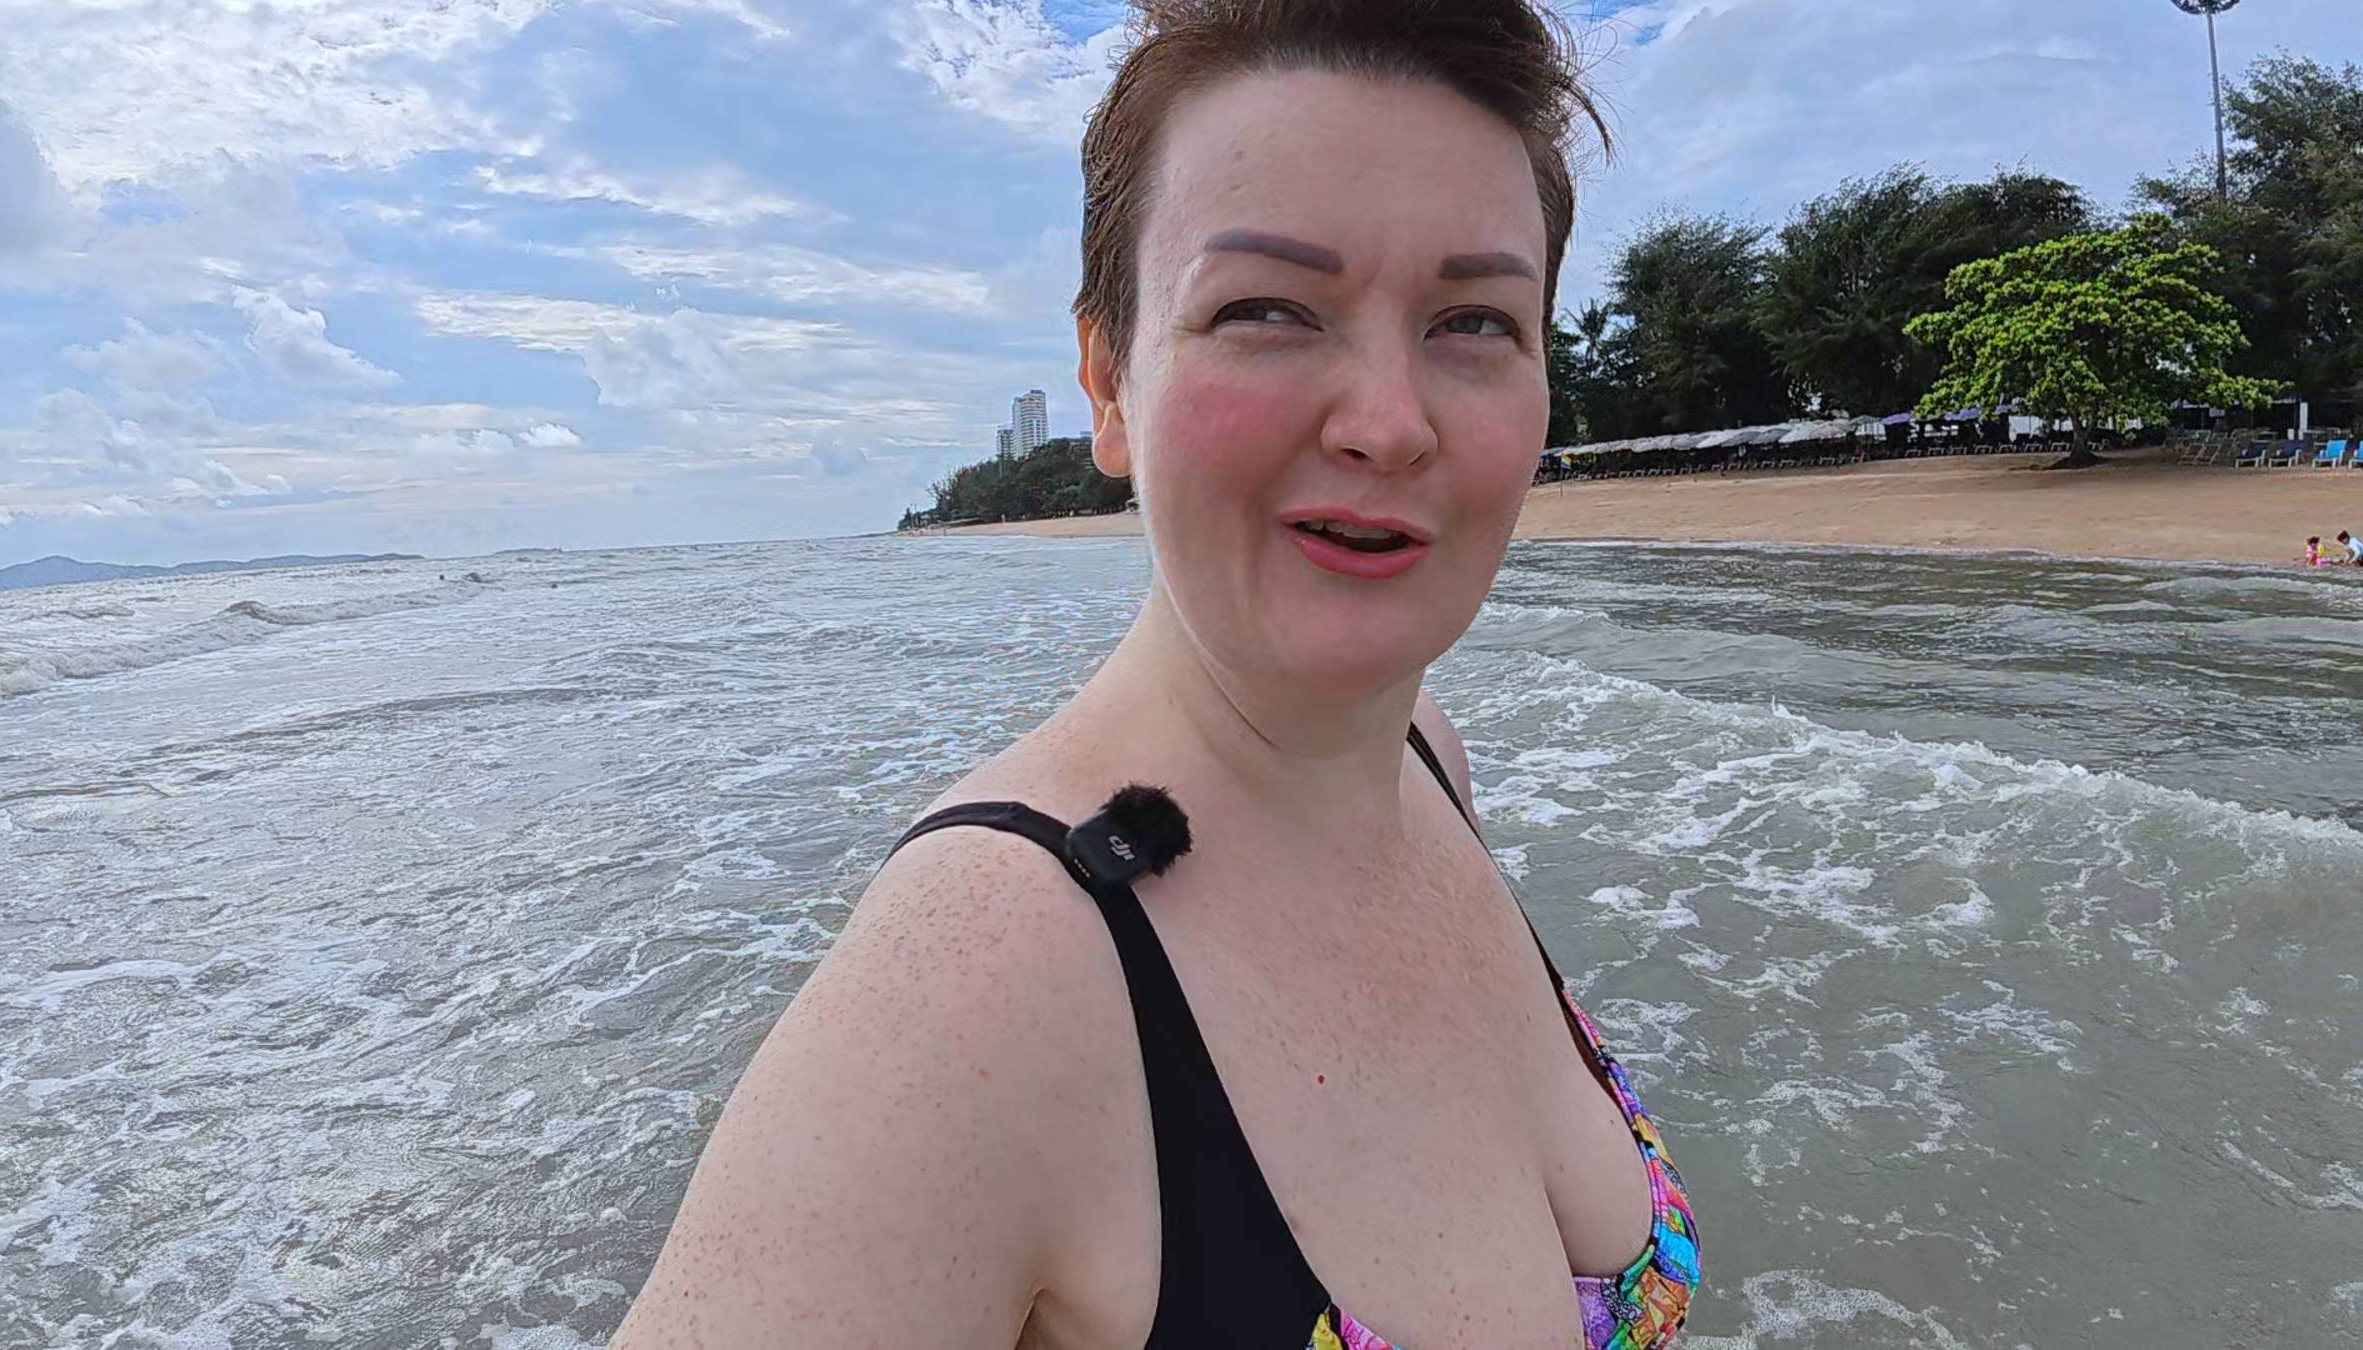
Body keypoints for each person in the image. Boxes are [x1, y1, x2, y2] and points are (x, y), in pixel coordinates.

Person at [616, 3, 1699, 1347]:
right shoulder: (974, 989)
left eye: (1474, 321)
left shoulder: (1426, 754)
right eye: (1266, 309)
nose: (1388, 423)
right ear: (1107, 384)